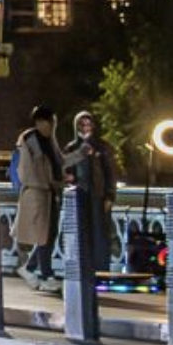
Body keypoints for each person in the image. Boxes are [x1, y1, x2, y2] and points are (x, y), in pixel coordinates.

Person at [64, 108, 118, 288]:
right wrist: (68, 179)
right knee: (82, 234)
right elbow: (66, 170)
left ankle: (102, 273)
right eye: (82, 124)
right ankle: (83, 272)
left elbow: (111, 173)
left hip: (98, 195)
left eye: (89, 123)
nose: (86, 127)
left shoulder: (102, 146)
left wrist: (110, 195)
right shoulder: (72, 147)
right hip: (79, 196)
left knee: (100, 234)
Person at [11, 108, 64, 286]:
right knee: (45, 235)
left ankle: (30, 267)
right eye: (51, 123)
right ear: (42, 122)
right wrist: (42, 183)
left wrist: (80, 154)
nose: (52, 127)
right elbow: (26, 169)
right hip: (37, 193)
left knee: (49, 233)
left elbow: (59, 162)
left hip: (49, 193)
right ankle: (46, 275)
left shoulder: (48, 141)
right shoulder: (31, 139)